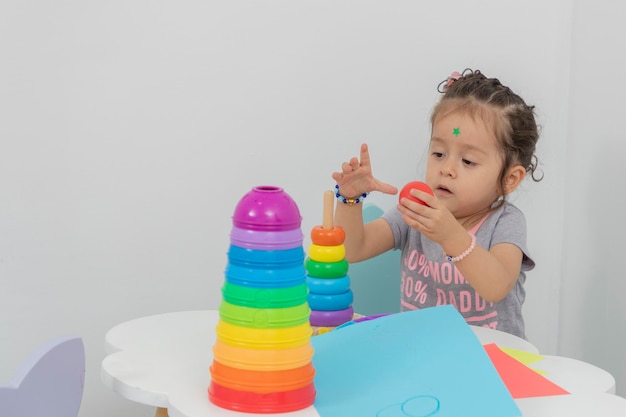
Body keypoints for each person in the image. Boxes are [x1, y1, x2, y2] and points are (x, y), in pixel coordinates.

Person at [331, 69, 541, 339]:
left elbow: (496, 285)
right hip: (423, 355)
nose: (448, 169)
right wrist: (349, 200)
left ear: (509, 179)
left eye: (468, 161)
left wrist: (450, 234)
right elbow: (352, 249)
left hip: (493, 362)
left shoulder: (506, 222)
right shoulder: (416, 212)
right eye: (439, 153)